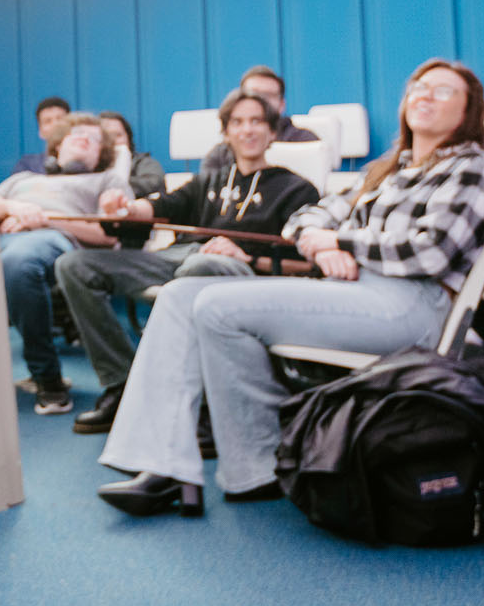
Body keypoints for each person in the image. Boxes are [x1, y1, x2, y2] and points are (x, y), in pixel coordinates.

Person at [97, 60, 484, 516]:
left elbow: (429, 251)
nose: (424, 95)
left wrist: (342, 242)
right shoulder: (384, 169)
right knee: (183, 296)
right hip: (350, 290)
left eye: (443, 91)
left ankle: (258, 463)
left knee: (216, 306)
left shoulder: (474, 168)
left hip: (411, 305)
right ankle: (167, 466)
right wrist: (321, 247)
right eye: (418, 86)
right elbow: (307, 216)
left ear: (467, 112)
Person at [58, 90, 321, 435]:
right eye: (238, 122)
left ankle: (205, 402)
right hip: (179, 258)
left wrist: (246, 256)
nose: (248, 130)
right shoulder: (208, 181)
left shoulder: (297, 189)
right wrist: (125, 206)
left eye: (257, 121)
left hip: (239, 271)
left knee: (197, 269)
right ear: (226, 133)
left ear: (273, 131)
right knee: (74, 265)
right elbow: (156, 207)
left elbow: (308, 267)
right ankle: (122, 384)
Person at [0, 114, 130, 415]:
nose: (84, 137)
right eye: (77, 134)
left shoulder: (107, 181)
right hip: (1, 237)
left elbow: (107, 235)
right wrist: (13, 208)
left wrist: (45, 218)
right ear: (57, 147)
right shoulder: (24, 179)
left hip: (53, 240)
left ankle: (47, 378)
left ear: (103, 154)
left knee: (19, 263)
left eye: (94, 138)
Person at [198, 65, 317, 183]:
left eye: (268, 95)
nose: (260, 101)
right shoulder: (221, 153)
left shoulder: (306, 141)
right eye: (252, 94)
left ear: (282, 105)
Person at [96, 111, 166, 198]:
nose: (112, 141)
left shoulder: (144, 163)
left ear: (128, 138)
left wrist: (112, 184)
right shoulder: (89, 167)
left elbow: (154, 182)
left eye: (118, 135)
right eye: (106, 136)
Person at [9, 96, 70, 176]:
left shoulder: (87, 160)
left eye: (60, 118)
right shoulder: (27, 166)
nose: (55, 124)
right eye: (48, 121)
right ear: (40, 132)